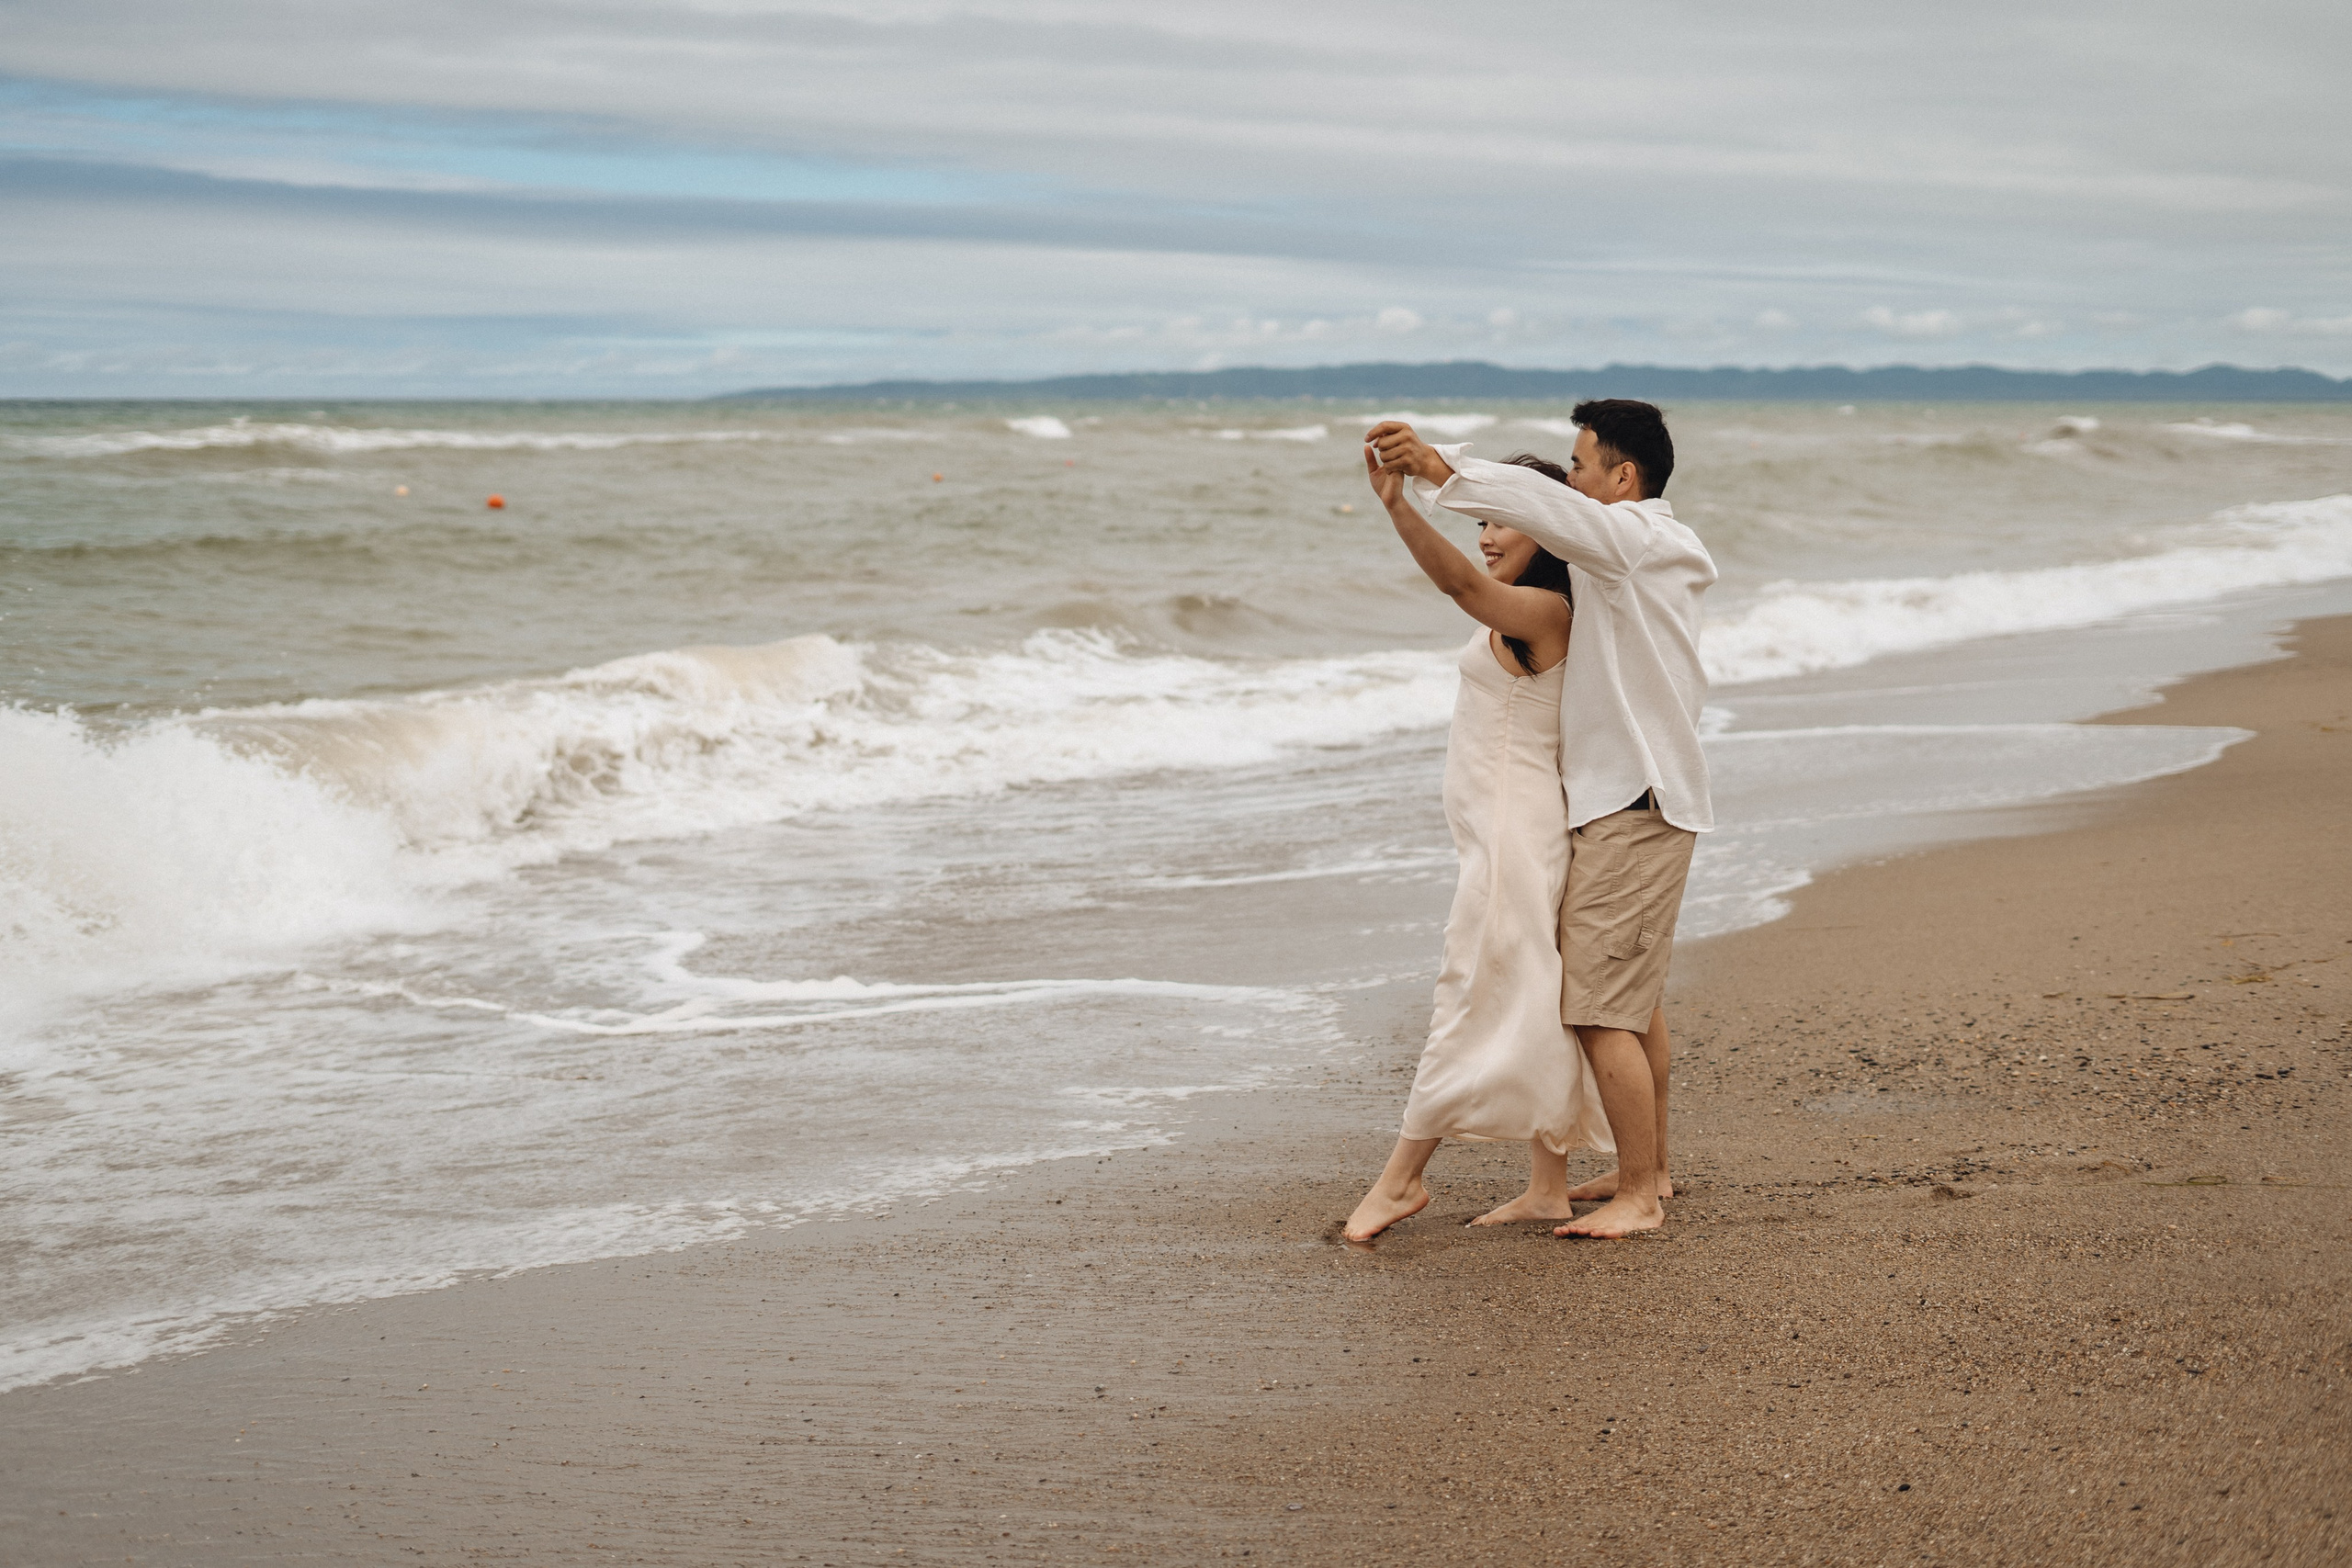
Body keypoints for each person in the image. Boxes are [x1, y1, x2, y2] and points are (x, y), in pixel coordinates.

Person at [1367, 400, 1715, 1240]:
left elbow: (1517, 539)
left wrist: (1436, 470)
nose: (1573, 483)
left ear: (1623, 478)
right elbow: (1538, 525)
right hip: (1618, 804)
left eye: (1583, 466)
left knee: (1599, 1011)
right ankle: (1649, 1170)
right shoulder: (1618, 561)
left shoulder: (1638, 542)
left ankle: (1638, 1193)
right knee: (1629, 1002)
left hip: (1634, 804)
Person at [1341, 452, 1615, 1244]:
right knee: (1534, 997)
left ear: (1545, 530)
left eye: (1501, 520)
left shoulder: (1544, 613)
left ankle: (1401, 1179)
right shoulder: (1547, 609)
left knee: (1470, 992)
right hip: (1509, 832)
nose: (1489, 535)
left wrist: (1399, 507)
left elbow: (1462, 586)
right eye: (1484, 522)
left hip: (1514, 839)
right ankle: (1548, 1185)